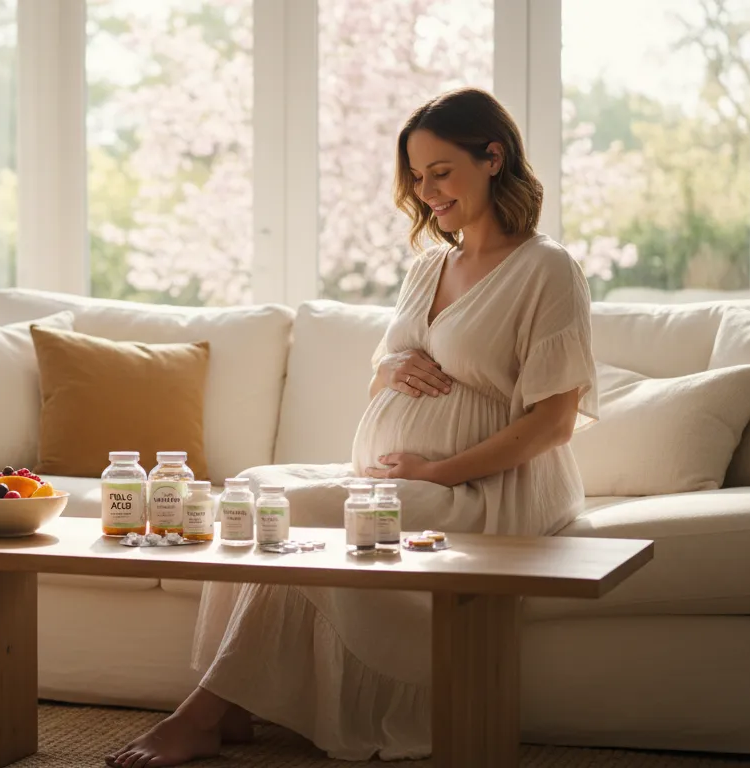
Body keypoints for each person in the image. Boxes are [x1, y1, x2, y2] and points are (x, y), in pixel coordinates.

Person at [104, 86, 599, 767]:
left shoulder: (548, 270)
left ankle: (202, 712)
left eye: (441, 172)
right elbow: (381, 378)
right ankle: (237, 705)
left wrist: (437, 471)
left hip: (492, 491)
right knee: (252, 487)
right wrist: (395, 372)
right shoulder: (430, 267)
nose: (427, 193)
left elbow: (555, 422)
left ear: (493, 157)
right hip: (399, 480)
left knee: (297, 508)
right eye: (417, 178)